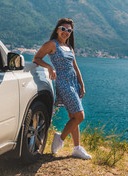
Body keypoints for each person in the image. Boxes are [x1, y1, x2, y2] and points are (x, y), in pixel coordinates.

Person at [33, 18, 91, 160]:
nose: (66, 32)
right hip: (63, 83)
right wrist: (50, 67)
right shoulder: (51, 44)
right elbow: (36, 58)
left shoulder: (69, 47)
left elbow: (75, 66)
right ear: (57, 29)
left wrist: (81, 83)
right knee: (79, 116)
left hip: (73, 82)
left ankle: (76, 148)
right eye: (63, 29)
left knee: (73, 116)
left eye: (69, 30)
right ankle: (60, 138)